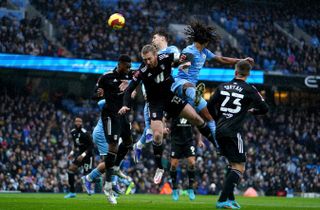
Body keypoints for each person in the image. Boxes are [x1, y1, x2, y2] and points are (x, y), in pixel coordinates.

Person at [119, 44, 217, 185]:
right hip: (155, 103)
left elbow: (182, 57)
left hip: (170, 98)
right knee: (157, 135)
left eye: (149, 59)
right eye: (144, 59)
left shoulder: (165, 57)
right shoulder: (142, 70)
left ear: (156, 55)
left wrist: (183, 63)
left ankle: (216, 144)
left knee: (196, 118)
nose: (147, 62)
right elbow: (129, 91)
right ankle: (159, 167)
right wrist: (125, 105)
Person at [171, 21, 254, 150]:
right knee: (189, 86)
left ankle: (219, 146)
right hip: (181, 84)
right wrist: (183, 64)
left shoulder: (205, 52)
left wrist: (241, 60)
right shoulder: (189, 51)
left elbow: (222, 59)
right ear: (205, 40)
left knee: (208, 117)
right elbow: (178, 65)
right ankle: (193, 95)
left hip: (190, 90)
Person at [207, 60, 268, 209]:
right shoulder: (249, 89)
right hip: (233, 131)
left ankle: (230, 198)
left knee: (231, 165)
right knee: (240, 167)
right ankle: (222, 200)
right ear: (248, 74)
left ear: (235, 72)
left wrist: (218, 119)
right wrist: (253, 111)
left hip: (219, 130)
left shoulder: (222, 87)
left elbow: (209, 105)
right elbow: (265, 108)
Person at [133, 29, 180, 163]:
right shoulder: (152, 56)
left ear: (162, 38)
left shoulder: (171, 49)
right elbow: (140, 72)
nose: (152, 40)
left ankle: (140, 143)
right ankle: (147, 131)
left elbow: (177, 59)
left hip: (169, 87)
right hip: (155, 88)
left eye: (155, 37)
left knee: (162, 133)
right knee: (151, 104)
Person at [95, 54, 135, 204]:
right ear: (120, 64)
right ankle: (108, 186)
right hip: (110, 115)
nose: (128, 69)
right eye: (127, 66)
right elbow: (95, 93)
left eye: (130, 67)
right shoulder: (106, 77)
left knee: (128, 143)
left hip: (122, 114)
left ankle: (116, 166)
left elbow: (141, 74)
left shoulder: (130, 75)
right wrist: (99, 93)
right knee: (113, 147)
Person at [81, 99, 134, 197]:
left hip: (108, 134)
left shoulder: (125, 110)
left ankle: (112, 184)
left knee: (112, 161)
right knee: (110, 162)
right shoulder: (117, 100)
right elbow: (100, 103)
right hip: (102, 134)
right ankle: (88, 178)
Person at [169, 117, 204, 201]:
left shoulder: (189, 112)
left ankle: (191, 189)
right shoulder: (173, 111)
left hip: (188, 142)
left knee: (192, 163)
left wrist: (199, 140)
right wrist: (164, 129)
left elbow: (197, 127)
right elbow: (164, 120)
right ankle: (174, 189)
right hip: (176, 142)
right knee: (173, 165)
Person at [64, 117, 94, 198]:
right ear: (74, 122)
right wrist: (71, 153)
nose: (78, 123)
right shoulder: (73, 132)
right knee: (70, 170)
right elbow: (75, 145)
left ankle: (98, 181)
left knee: (87, 175)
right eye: (76, 121)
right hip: (79, 155)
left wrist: (83, 155)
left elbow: (91, 146)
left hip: (88, 156)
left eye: (79, 121)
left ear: (82, 123)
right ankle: (72, 192)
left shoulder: (86, 133)